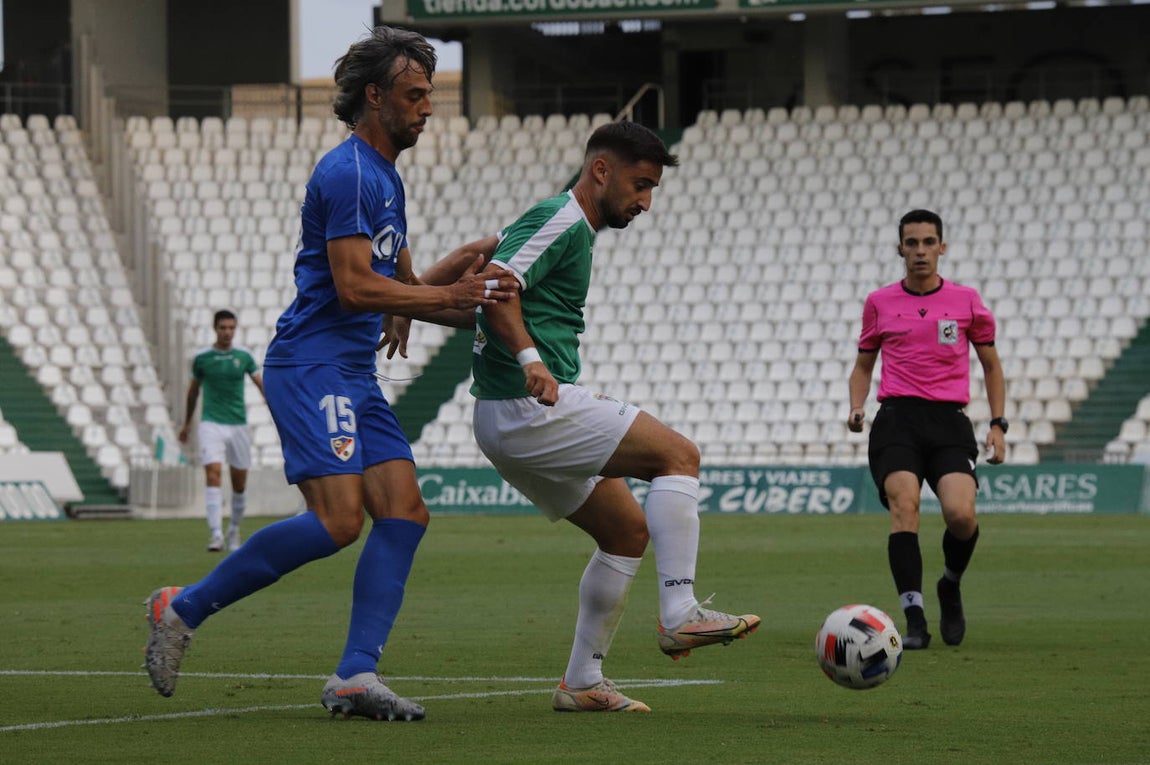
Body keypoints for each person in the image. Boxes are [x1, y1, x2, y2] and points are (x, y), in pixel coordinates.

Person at [143, 26, 518, 721]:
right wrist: (443, 296)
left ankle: (354, 673)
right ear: (375, 97)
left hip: (350, 370)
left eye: (429, 94)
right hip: (311, 364)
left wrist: (446, 287)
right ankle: (181, 606)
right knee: (338, 520)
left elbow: (396, 281)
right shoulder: (347, 172)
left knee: (404, 510)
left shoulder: (386, 179)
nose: (427, 107)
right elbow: (353, 288)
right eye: (414, 94)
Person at [468, 121, 760, 714]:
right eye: (640, 183)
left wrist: (416, 296)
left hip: (509, 414)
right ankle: (680, 612)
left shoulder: (564, 226)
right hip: (526, 406)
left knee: (626, 532)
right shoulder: (563, 218)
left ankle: (581, 682)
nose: (645, 201)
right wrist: (530, 359)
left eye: (652, 188)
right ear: (602, 170)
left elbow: (481, 255)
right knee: (679, 456)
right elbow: (497, 281)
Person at [846, 208, 1007, 650]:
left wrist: (997, 424)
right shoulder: (879, 302)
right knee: (906, 507)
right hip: (897, 418)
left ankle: (949, 585)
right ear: (900, 248)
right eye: (911, 243)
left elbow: (991, 366)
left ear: (942, 247)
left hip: (949, 422)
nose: (920, 250)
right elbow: (863, 366)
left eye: (928, 242)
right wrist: (857, 406)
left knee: (961, 515)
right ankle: (914, 619)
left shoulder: (966, 301)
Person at [179, 309, 264, 553]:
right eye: (223, 328)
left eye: (231, 328)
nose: (227, 332)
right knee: (213, 473)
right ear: (215, 329)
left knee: (239, 484)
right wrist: (186, 424)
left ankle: (234, 529)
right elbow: (193, 392)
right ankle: (215, 534)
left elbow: (261, 385)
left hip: (238, 424)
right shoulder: (202, 358)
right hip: (211, 423)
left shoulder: (244, 356)